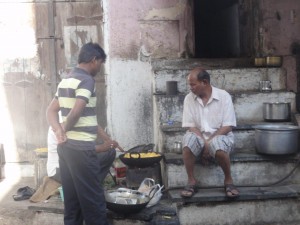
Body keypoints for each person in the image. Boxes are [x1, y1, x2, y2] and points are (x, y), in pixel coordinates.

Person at [46, 42, 121, 225]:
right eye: (100, 63)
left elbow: (50, 111)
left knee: (73, 206)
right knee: (94, 206)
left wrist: (59, 131)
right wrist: (62, 130)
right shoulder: (87, 80)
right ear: (94, 60)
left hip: (66, 150)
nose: (100, 68)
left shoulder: (66, 79)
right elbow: (76, 112)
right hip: (82, 151)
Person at [180, 67, 239, 199]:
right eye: (190, 85)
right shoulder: (189, 99)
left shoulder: (224, 96)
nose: (191, 88)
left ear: (204, 82)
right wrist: (205, 143)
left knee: (217, 144)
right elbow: (191, 126)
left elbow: (228, 126)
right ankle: (191, 181)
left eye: (193, 84)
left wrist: (209, 142)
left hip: (221, 136)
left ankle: (228, 180)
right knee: (187, 141)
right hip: (199, 137)